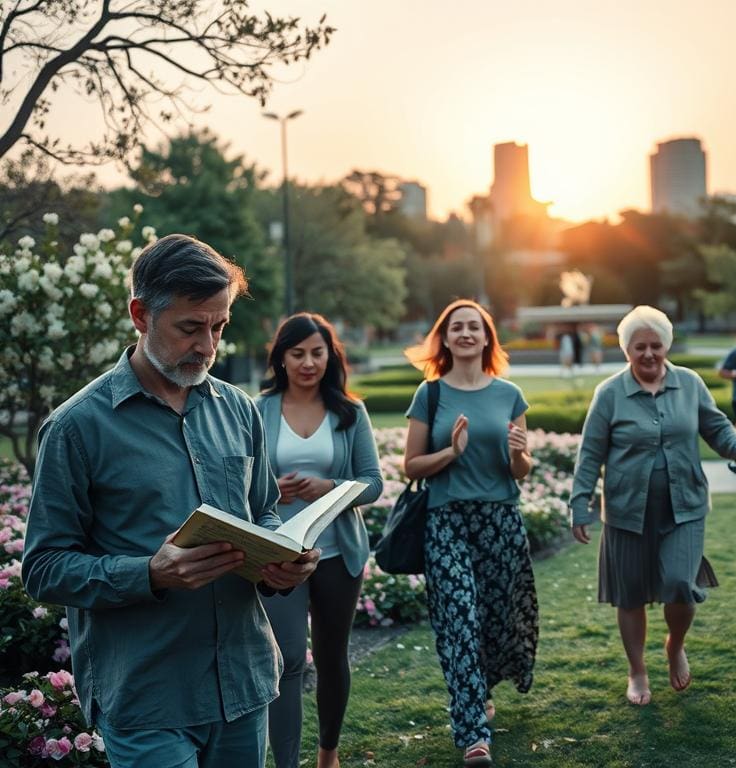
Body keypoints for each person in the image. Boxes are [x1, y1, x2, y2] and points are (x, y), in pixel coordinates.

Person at [22, 234, 320, 768]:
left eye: (219, 326)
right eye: (190, 327)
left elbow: (264, 511)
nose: (208, 345)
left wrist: (281, 558)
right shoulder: (75, 427)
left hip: (244, 684)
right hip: (147, 698)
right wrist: (149, 573)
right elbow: (43, 568)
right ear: (140, 314)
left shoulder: (240, 411)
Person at [569, 305, 736, 706]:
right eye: (640, 347)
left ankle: (675, 646)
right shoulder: (610, 394)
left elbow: (716, 426)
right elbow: (589, 454)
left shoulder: (689, 384)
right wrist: (579, 504)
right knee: (630, 595)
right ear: (626, 350)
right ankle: (637, 671)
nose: (649, 354)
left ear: (666, 346)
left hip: (684, 505)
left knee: (679, 586)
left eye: (656, 345)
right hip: (625, 511)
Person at [402, 299, 538, 768]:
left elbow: (518, 470)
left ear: (486, 338)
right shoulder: (430, 394)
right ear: (445, 338)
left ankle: (480, 690)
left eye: (473, 327)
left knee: (496, 619)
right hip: (447, 520)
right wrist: (450, 453)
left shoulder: (509, 395)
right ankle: (473, 733)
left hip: (500, 519)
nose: (465, 333)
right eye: (456, 327)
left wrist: (521, 452)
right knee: (458, 617)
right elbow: (410, 465)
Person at [255, 313, 383, 768]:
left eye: (317, 352)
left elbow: (373, 483)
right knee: (287, 660)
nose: (308, 362)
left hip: (336, 553)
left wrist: (330, 488)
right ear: (281, 359)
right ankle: (286, 762)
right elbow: (243, 483)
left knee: (331, 658)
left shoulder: (350, 412)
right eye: (298, 353)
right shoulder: (258, 409)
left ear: (330, 356)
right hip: (279, 555)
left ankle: (328, 753)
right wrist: (274, 487)